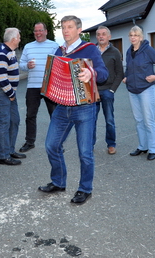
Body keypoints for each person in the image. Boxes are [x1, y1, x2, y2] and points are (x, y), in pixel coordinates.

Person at [38, 15, 108, 205]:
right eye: (63, 27)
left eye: (69, 27)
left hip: (85, 107)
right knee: (51, 145)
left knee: (85, 152)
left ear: (79, 30)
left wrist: (91, 72)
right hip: (62, 107)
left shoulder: (89, 49)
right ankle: (58, 182)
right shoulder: (59, 51)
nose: (66, 30)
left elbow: (103, 73)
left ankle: (85, 189)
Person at [123, 26, 155, 161]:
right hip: (133, 90)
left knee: (148, 120)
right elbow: (130, 68)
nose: (133, 37)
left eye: (136, 35)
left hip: (146, 89)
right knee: (139, 120)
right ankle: (143, 146)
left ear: (141, 37)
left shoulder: (148, 50)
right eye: (131, 35)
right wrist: (126, 77)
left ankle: (153, 149)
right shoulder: (129, 51)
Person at [18, 22, 59, 153]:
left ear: (46, 31)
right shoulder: (28, 47)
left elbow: (60, 64)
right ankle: (30, 142)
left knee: (55, 115)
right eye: (36, 31)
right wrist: (27, 66)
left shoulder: (54, 46)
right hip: (33, 85)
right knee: (30, 115)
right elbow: (21, 64)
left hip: (50, 85)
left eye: (40, 30)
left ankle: (57, 143)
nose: (38, 33)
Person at [0, 27, 25, 165]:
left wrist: (11, 93)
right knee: (4, 123)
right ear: (14, 39)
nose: (20, 39)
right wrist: (10, 94)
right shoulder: (2, 52)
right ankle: (3, 156)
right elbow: (2, 78)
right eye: (19, 37)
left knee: (14, 120)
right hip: (1, 92)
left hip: (8, 92)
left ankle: (10, 150)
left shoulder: (9, 51)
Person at [93, 26, 124, 155]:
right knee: (91, 120)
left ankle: (111, 144)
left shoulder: (115, 52)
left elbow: (120, 73)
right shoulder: (91, 51)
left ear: (109, 37)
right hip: (93, 91)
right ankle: (89, 145)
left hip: (107, 91)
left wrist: (112, 90)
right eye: (99, 34)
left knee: (109, 120)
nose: (101, 36)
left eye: (103, 34)